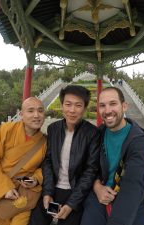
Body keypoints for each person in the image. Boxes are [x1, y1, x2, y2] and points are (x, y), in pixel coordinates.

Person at [28, 85, 100, 225]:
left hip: (76, 193)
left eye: (78, 105)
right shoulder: (53, 129)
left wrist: (71, 204)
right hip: (53, 189)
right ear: (62, 106)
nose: (72, 110)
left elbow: (90, 171)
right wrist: (47, 192)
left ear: (84, 109)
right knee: (36, 220)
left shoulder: (92, 133)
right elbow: (48, 161)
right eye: (68, 104)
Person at [81, 86, 144, 225]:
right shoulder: (97, 134)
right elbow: (88, 167)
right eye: (102, 106)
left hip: (128, 195)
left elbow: (133, 184)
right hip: (99, 194)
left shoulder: (137, 140)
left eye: (113, 104)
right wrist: (96, 186)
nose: (107, 111)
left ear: (124, 106)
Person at [0, 97, 47, 225]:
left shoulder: (45, 141)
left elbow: (47, 167)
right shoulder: (6, 130)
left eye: (40, 111)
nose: (36, 115)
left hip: (24, 195)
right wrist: (5, 188)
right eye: (30, 111)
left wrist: (36, 178)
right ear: (21, 115)